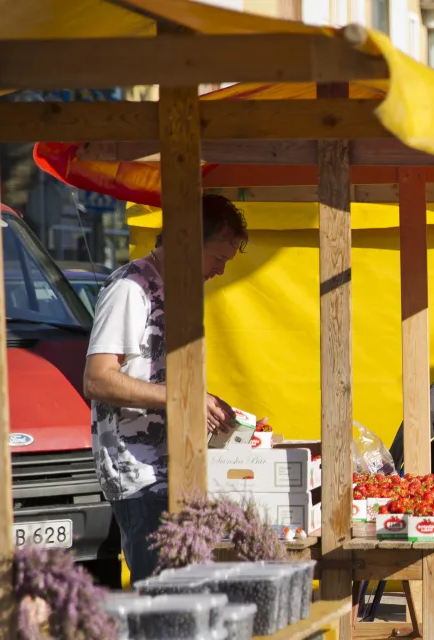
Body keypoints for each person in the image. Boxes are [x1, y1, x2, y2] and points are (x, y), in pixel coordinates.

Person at [83, 194, 248, 583]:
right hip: (139, 473)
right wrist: (184, 399)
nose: (220, 271)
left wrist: (203, 404)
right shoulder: (131, 287)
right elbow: (98, 378)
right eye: (218, 259)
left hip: (171, 470)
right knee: (163, 600)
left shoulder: (178, 290)